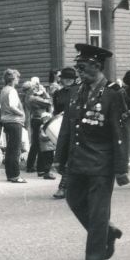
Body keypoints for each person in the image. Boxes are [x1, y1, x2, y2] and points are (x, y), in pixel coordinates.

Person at [54, 43, 130, 260]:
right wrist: (59, 158)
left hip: (101, 162)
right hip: (77, 160)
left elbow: (120, 133)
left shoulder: (113, 94)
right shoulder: (76, 92)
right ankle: (106, 234)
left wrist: (121, 168)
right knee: (74, 200)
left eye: (82, 66)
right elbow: (67, 127)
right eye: (78, 65)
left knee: (98, 211)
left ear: (96, 66)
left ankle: (94, 258)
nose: (78, 70)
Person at [52, 67, 78, 199]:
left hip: (74, 126)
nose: (67, 80)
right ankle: (72, 183)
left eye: (70, 78)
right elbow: (55, 110)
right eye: (65, 78)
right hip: (61, 127)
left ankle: (62, 187)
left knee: (70, 157)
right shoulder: (58, 93)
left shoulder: (78, 91)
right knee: (60, 160)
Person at [0, 69, 26, 183]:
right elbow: (13, 106)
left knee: (10, 149)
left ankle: (10, 174)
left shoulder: (3, 90)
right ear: (13, 79)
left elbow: (1, 106)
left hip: (6, 121)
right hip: (14, 122)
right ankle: (15, 175)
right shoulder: (12, 91)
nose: (18, 80)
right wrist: (22, 113)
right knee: (15, 149)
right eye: (17, 78)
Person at [25, 77, 52, 176]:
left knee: (35, 145)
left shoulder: (29, 96)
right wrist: (44, 92)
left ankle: (30, 166)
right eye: (36, 85)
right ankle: (41, 169)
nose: (38, 87)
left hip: (35, 119)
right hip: (40, 120)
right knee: (41, 144)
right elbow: (49, 102)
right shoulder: (34, 98)